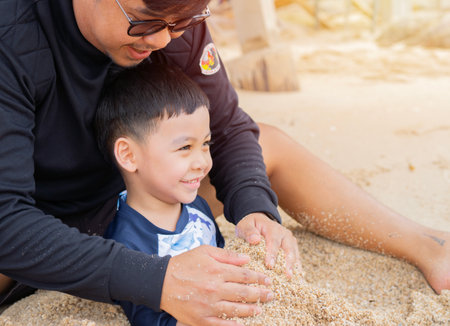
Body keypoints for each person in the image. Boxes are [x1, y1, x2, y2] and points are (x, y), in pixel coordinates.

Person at [0, 0, 448, 325]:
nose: (159, 41)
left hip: (139, 192)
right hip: (33, 223)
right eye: (145, 23)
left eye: (181, 22)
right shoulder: (13, 36)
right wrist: (158, 280)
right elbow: (6, 220)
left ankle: (429, 246)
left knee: (266, 144)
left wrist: (255, 208)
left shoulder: (177, 18)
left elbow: (231, 128)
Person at [97, 62, 225, 326]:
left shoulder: (197, 205)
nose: (202, 161)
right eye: (185, 148)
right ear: (129, 155)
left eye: (205, 144)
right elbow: (147, 318)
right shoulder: (126, 243)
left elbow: (221, 252)